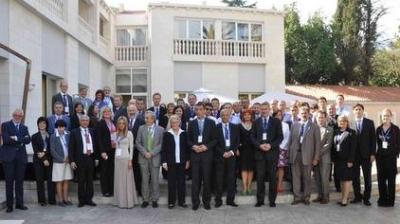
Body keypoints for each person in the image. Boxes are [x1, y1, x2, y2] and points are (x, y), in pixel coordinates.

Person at [251, 102, 283, 208]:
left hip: (272, 154)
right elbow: (252, 137)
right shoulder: (256, 122)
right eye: (262, 109)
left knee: (272, 178)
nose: (263, 111)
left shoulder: (276, 121)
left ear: (269, 109)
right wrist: (260, 145)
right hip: (259, 154)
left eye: (265, 109)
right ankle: (260, 200)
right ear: (259, 110)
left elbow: (280, 137)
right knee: (260, 178)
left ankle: (272, 200)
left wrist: (270, 145)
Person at [187, 102, 217, 210]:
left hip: (207, 156)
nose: (198, 111)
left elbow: (215, 140)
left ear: (205, 110)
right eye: (197, 109)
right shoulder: (191, 123)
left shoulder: (211, 123)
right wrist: (193, 146)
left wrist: (206, 146)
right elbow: (188, 140)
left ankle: (206, 202)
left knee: (207, 180)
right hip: (195, 155)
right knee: (195, 180)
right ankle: (195, 202)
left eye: (200, 109)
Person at [288, 106, 320, 205]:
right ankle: (297, 197)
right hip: (295, 155)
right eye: (302, 113)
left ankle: (306, 197)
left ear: (309, 114)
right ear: (299, 114)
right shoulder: (294, 125)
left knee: (307, 178)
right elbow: (290, 141)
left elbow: (317, 144)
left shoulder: (314, 126)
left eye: (306, 113)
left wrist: (316, 158)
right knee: (296, 177)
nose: (304, 115)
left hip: (308, 156)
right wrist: (289, 154)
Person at [0, 109, 31, 213]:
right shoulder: (5, 125)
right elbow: (6, 139)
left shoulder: (24, 127)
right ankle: (9, 206)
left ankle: (19, 204)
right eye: (15, 115)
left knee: (19, 182)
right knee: (9, 182)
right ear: (12, 115)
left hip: (21, 158)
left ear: (22, 117)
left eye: (20, 115)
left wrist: (15, 137)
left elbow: (27, 140)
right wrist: (20, 140)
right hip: (8, 158)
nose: (17, 117)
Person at [136, 111, 164, 208]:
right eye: (145, 118)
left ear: (153, 119)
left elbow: (161, 144)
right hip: (143, 158)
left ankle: (155, 199)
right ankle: (145, 199)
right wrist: (145, 153)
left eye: (148, 118)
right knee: (144, 179)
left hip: (155, 157)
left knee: (155, 179)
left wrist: (151, 153)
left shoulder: (160, 129)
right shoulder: (141, 128)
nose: (146, 119)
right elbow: (137, 143)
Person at [161, 115, 190, 209]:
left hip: (182, 162)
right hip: (171, 162)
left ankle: (182, 201)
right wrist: (164, 162)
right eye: (172, 122)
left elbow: (187, 148)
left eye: (176, 122)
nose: (174, 124)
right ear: (170, 123)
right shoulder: (167, 134)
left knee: (182, 183)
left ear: (179, 122)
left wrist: (187, 161)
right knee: (171, 183)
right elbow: (164, 149)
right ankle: (171, 202)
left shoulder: (184, 133)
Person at [69, 115, 97, 207]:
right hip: (80, 158)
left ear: (88, 122)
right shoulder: (74, 132)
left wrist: (96, 158)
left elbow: (95, 145)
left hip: (90, 158)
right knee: (81, 180)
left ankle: (89, 199)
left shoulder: (92, 131)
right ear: (80, 122)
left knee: (90, 180)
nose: (85, 122)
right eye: (83, 120)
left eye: (86, 120)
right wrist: (72, 161)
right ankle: (81, 200)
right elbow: (71, 147)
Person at [351, 104, 376, 206]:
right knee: (355, 177)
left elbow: (373, 139)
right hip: (354, 156)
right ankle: (357, 196)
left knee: (367, 178)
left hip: (366, 155)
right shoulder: (350, 123)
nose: (358, 111)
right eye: (356, 109)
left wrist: (373, 154)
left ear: (363, 111)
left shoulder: (369, 123)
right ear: (353, 111)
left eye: (360, 109)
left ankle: (366, 198)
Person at [214, 109, 240, 207]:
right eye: (223, 115)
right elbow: (214, 142)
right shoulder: (216, 127)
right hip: (220, 156)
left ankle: (230, 200)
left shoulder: (235, 127)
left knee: (231, 179)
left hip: (231, 156)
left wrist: (232, 152)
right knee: (219, 179)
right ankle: (218, 200)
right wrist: (222, 153)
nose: (225, 117)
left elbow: (237, 141)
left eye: (227, 115)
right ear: (220, 116)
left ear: (230, 116)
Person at [113, 116, 138, 208]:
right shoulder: (116, 134)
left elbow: (131, 148)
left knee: (127, 180)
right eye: (120, 123)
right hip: (117, 159)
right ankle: (119, 201)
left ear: (126, 124)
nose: (121, 125)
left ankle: (128, 202)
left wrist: (130, 160)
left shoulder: (129, 134)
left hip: (126, 158)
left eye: (123, 123)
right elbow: (116, 147)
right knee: (119, 180)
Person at [376, 109, 399, 207]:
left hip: (391, 158)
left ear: (391, 116)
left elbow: (399, 143)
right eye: (384, 116)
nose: (385, 117)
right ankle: (382, 199)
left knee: (391, 180)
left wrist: (395, 153)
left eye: (387, 115)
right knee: (381, 180)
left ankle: (390, 201)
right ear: (381, 117)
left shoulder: (395, 129)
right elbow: (376, 143)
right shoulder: (378, 129)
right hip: (380, 158)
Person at [332, 115, 356, 206]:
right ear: (338, 122)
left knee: (347, 179)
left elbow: (353, 148)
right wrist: (333, 158)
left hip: (347, 160)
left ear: (347, 122)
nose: (342, 123)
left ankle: (345, 200)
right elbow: (334, 147)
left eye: (344, 121)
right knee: (341, 179)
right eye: (340, 121)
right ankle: (343, 197)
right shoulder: (336, 132)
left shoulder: (351, 133)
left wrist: (351, 160)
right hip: (338, 160)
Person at [31, 117, 56, 206]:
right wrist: (43, 159)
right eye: (40, 123)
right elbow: (36, 150)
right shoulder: (34, 136)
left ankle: (52, 199)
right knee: (40, 180)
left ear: (46, 125)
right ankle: (41, 200)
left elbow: (52, 148)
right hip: (38, 161)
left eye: (44, 123)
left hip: (49, 160)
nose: (42, 125)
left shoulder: (51, 135)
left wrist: (44, 154)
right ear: (38, 125)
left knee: (50, 180)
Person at [50, 120, 73, 207]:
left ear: (65, 127)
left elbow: (71, 146)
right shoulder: (53, 136)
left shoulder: (68, 134)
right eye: (59, 127)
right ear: (56, 127)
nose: (61, 129)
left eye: (62, 127)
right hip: (58, 162)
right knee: (59, 181)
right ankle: (60, 200)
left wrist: (69, 158)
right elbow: (52, 151)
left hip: (68, 161)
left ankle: (66, 199)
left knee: (66, 180)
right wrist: (62, 159)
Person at [313, 111, 334, 204]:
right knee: (317, 177)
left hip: (325, 158)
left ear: (326, 118)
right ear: (316, 118)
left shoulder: (330, 129)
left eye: (322, 117)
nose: (320, 119)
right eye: (319, 117)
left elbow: (328, 145)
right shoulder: (313, 129)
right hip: (314, 158)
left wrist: (317, 155)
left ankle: (326, 197)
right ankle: (320, 195)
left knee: (324, 178)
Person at [96, 106, 116, 197]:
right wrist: (102, 151)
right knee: (104, 171)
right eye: (105, 111)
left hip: (114, 150)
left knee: (112, 170)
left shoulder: (113, 122)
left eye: (109, 111)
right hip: (105, 151)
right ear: (102, 113)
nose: (107, 113)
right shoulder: (100, 123)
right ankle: (105, 190)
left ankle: (112, 189)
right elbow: (99, 139)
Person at [126, 104, 145, 196]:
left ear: (136, 111)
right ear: (127, 112)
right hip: (126, 151)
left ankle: (139, 190)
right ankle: (130, 190)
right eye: (130, 110)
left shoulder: (141, 121)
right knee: (128, 171)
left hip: (137, 151)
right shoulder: (124, 121)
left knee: (137, 171)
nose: (131, 112)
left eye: (133, 110)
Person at [238, 109, 255, 195]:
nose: (247, 116)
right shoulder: (239, 126)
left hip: (253, 149)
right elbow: (237, 138)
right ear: (242, 116)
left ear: (251, 116)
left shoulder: (255, 125)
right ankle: (244, 187)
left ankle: (249, 186)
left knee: (251, 169)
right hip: (243, 150)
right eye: (245, 115)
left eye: (249, 115)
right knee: (244, 168)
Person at [273, 110, 290, 193]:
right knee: (273, 167)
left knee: (280, 167)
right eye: (277, 115)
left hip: (282, 149)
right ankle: (274, 183)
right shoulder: (270, 125)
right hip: (272, 149)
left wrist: (281, 147)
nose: (278, 116)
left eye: (280, 115)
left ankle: (280, 184)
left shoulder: (285, 125)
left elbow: (287, 138)